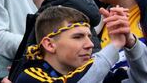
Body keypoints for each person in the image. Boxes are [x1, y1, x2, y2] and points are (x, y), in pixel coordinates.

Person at [14, 6, 147, 83]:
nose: (90, 44)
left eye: (89, 36)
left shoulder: (99, 75)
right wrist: (115, 45)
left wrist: (130, 43)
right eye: (78, 37)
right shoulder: (29, 77)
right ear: (49, 44)